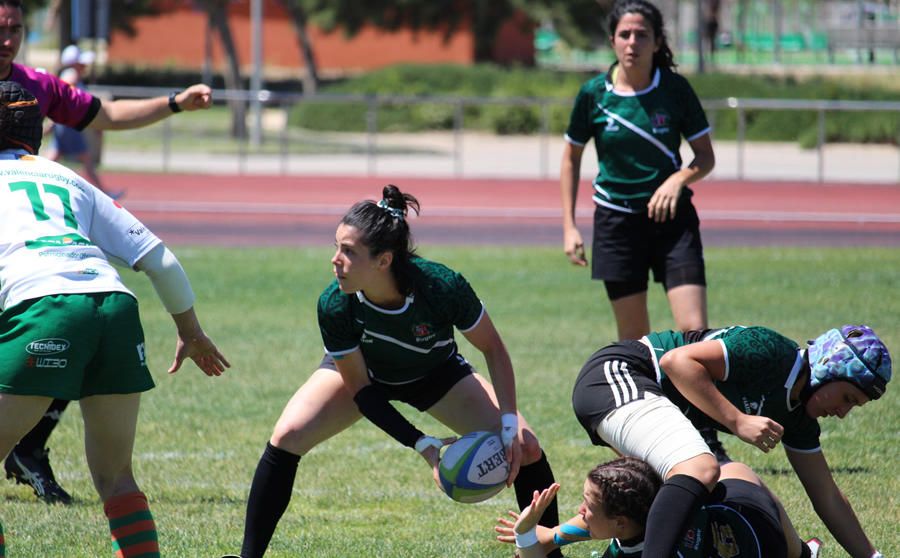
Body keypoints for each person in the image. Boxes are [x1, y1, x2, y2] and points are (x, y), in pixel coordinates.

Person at [224, 185, 562, 558]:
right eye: (336, 247)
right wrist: (423, 443)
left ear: (384, 261)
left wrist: (510, 425)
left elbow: (493, 348)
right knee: (287, 434)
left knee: (527, 448)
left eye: (348, 252)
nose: (335, 260)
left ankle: (546, 553)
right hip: (365, 375)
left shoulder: (440, 286)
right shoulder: (336, 303)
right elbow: (363, 392)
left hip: (436, 374)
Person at [0, 80, 229, 557]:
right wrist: (191, 333)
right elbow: (159, 260)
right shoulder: (65, 177)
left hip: (46, 307)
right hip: (115, 305)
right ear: (38, 131)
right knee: (115, 477)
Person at [570, 324, 891, 557]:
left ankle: (546, 540)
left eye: (854, 405)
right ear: (829, 367)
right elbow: (677, 362)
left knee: (657, 505)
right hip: (620, 375)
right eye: (847, 397)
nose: (843, 411)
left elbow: (827, 497)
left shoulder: (799, 418)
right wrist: (738, 421)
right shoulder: (773, 353)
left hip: (646, 399)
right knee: (699, 470)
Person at [559, 0, 716, 342]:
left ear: (657, 41)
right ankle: (647, 397)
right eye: (625, 34)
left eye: (642, 35)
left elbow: (705, 157)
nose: (633, 42)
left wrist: (677, 181)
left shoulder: (675, 90)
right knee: (635, 340)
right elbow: (571, 157)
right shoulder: (594, 94)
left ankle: (693, 395)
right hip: (616, 223)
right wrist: (570, 227)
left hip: (672, 221)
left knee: (695, 332)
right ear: (613, 41)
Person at [496, 456, 824, 558]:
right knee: (734, 468)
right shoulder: (660, 506)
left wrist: (527, 535)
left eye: (588, 504)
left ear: (621, 522)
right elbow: (559, 536)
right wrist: (549, 535)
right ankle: (805, 553)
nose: (580, 510)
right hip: (744, 507)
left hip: (761, 544)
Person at [45, 44, 122, 199]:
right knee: (85, 159)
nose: (84, 65)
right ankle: (106, 194)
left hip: (67, 123)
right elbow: (62, 96)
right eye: (81, 62)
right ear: (74, 63)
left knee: (54, 158)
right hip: (68, 125)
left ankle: (105, 193)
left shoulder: (71, 74)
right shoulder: (71, 75)